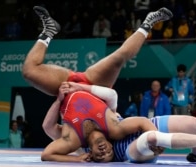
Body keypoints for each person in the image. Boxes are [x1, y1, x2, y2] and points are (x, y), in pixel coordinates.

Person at [24, 6, 173, 163]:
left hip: (66, 87)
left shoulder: (73, 140)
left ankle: (49, 30)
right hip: (94, 83)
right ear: (111, 144)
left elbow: (46, 155)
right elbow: (143, 122)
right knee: (118, 58)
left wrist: (78, 159)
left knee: (29, 72)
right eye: (109, 153)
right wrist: (156, 138)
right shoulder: (114, 129)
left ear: (91, 155)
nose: (104, 152)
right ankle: (148, 22)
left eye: (100, 157)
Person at [43, 82, 196, 163]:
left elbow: (112, 95)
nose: (104, 152)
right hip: (133, 150)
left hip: (144, 128)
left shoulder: (110, 125)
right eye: (104, 157)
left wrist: (67, 94)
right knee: (150, 136)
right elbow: (48, 142)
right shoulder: (74, 140)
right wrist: (75, 159)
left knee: (195, 124)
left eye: (100, 155)